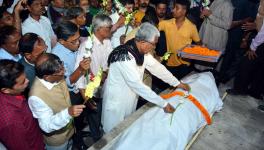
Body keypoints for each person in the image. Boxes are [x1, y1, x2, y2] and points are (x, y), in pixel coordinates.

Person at [102, 22, 190, 133]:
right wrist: (163, 103)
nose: (154, 47)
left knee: (125, 131)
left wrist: (177, 83)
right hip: (117, 103)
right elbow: (137, 85)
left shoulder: (140, 51)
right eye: (153, 44)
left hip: (130, 98)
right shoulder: (124, 57)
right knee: (112, 134)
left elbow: (157, 68)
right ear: (143, 42)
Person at [28, 53, 86, 150]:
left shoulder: (56, 73)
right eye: (60, 72)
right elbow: (46, 125)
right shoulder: (36, 96)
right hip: (57, 141)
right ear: (47, 77)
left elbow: (67, 82)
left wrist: (80, 69)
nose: (64, 72)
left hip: (70, 130)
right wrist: (68, 113)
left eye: (63, 67)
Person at [52, 20, 91, 149]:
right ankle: (77, 143)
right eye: (74, 41)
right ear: (62, 42)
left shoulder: (75, 46)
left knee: (80, 118)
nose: (78, 43)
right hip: (70, 95)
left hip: (81, 88)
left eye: (78, 39)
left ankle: (79, 131)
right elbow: (67, 82)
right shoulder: (57, 56)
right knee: (72, 121)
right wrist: (80, 69)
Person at [0, 59, 44, 150]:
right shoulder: (10, 121)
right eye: (23, 81)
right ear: (6, 90)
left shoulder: (13, 93)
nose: (28, 81)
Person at [158, 0, 201, 79]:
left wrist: (191, 51)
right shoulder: (166, 23)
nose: (173, 10)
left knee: (181, 86)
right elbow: (153, 29)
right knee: (171, 85)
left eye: (176, 8)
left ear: (184, 11)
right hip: (170, 62)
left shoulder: (192, 27)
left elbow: (198, 44)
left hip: (184, 64)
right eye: (174, 7)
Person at [227, 20, 264, 100]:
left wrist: (253, 46)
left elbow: (262, 33)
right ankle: (255, 92)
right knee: (260, 69)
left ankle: (240, 89)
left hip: (260, 44)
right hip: (260, 42)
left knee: (245, 63)